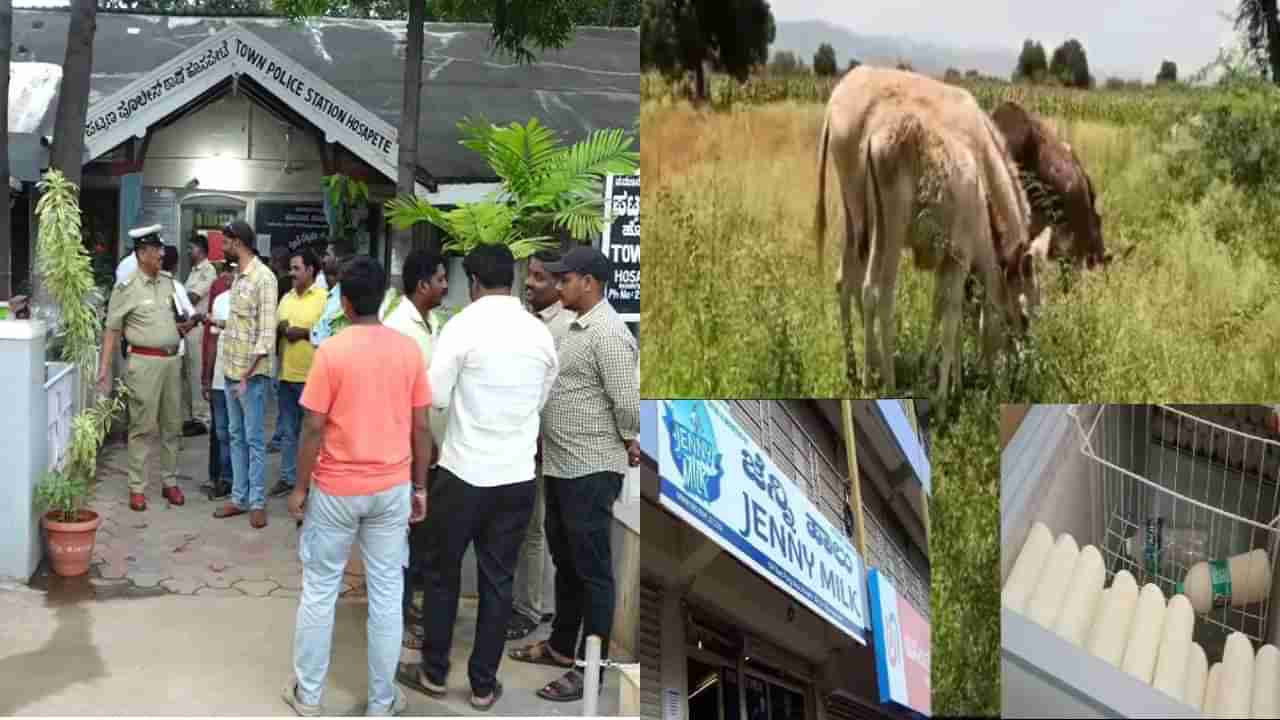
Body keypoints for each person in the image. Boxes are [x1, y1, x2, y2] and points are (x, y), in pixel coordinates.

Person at [401, 245, 558, 712]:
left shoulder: (462, 326)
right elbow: (541, 399)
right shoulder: (539, 333)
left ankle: (432, 673)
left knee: (443, 575)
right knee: (498, 581)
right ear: (509, 279)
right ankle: (483, 685)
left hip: (464, 472)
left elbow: (437, 398)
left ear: (472, 281)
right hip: (516, 478)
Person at [284, 256, 431, 718]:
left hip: (335, 489)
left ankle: (309, 698)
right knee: (387, 594)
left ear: (344, 303)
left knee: (321, 589)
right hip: (391, 487)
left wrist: (299, 489)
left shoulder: (332, 351)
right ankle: (382, 703)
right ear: (382, 300)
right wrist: (420, 488)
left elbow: (312, 426)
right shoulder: (408, 351)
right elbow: (422, 426)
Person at [510, 246, 640, 703]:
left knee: (593, 573)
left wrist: (630, 439)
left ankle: (589, 671)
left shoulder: (608, 333)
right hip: (562, 466)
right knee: (566, 562)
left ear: (589, 283)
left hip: (591, 469)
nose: (557, 286)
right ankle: (563, 647)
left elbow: (627, 401)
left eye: (565, 280)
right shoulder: (573, 327)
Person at [96, 225, 198, 512]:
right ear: (142, 253)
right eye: (156, 250)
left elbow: (173, 317)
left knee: (172, 425)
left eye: (162, 249)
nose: (162, 254)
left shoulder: (168, 282)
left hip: (171, 362)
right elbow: (112, 330)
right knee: (141, 427)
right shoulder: (126, 288)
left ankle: (169, 481)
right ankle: (137, 487)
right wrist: (104, 369)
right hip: (143, 363)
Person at [378, 248, 449, 655]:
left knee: (422, 537)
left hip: (431, 450)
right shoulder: (397, 327)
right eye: (440, 278)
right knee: (400, 538)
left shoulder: (433, 322)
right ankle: (398, 615)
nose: (445, 285)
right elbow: (395, 399)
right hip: (407, 450)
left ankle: (410, 607)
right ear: (422, 285)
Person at [507, 249, 577, 641]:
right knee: (537, 526)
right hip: (525, 439)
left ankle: (529, 609)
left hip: (544, 442)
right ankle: (542, 604)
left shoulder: (563, 327)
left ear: (559, 283)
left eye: (538, 277)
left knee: (533, 529)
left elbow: (553, 391)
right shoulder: (527, 319)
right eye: (528, 275)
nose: (530, 283)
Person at [214, 220, 278, 529]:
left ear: (237, 241)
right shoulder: (238, 276)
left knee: (253, 439)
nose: (222, 246)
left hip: (250, 376)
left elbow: (265, 336)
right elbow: (241, 325)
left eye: (225, 240)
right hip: (231, 371)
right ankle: (239, 498)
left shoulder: (264, 278)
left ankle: (256, 502)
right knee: (236, 436)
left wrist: (245, 376)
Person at [269, 247, 328, 498]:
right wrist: (281, 327)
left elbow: (328, 334)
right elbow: (274, 326)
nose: (291, 273)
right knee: (289, 431)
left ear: (310, 270)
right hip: (286, 375)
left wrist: (302, 333)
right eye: (291, 268)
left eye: (296, 268)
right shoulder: (287, 298)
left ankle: (316, 482)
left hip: (313, 377)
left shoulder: (324, 298)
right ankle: (288, 477)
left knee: (315, 432)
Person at [201, 260, 237, 501]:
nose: (232, 274)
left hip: (242, 376)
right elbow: (213, 341)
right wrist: (206, 374)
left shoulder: (253, 300)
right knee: (222, 431)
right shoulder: (221, 300)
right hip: (219, 378)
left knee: (239, 432)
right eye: (230, 270)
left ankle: (237, 480)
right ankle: (225, 479)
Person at [182, 235, 217, 435]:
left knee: (197, 373)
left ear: (202, 250)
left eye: (191, 247)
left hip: (198, 331)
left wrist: (178, 302)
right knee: (188, 376)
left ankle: (203, 419)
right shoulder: (193, 272)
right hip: (189, 331)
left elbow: (191, 298)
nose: (189, 251)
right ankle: (193, 416)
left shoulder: (208, 270)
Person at [310, 239, 356, 347]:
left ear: (338, 259)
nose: (323, 259)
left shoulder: (350, 294)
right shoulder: (334, 292)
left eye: (327, 255)